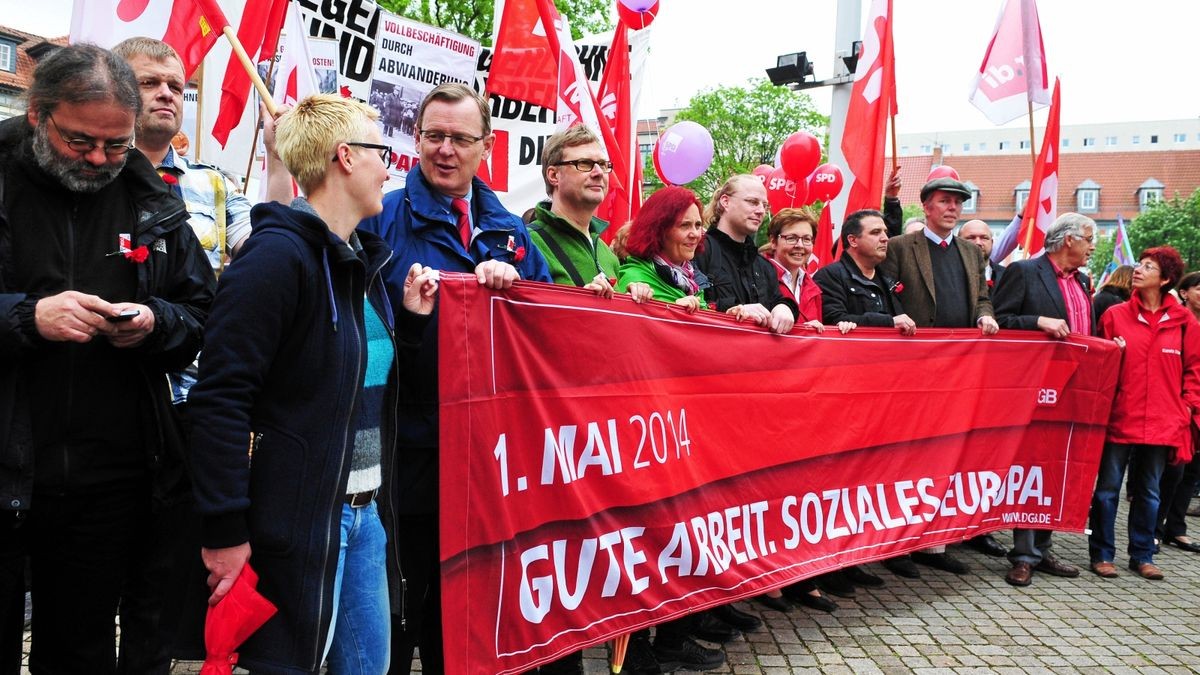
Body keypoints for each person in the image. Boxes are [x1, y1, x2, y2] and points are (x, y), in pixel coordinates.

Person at [188, 94, 439, 673]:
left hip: (366, 516)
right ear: (345, 158)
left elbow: (359, 383)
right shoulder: (275, 260)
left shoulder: (364, 264)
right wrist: (224, 528)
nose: (391, 168)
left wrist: (413, 328)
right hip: (299, 523)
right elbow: (221, 398)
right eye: (383, 153)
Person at [0, 44, 215, 672]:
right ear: (39, 115)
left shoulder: (153, 200)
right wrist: (25, 317)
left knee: (81, 655)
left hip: (105, 487)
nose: (99, 160)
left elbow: (201, 312)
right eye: (80, 142)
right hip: (6, 471)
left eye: (116, 146)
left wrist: (154, 324)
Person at [357, 82, 551, 675]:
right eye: (434, 136)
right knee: (394, 605)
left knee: (461, 605)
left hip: (485, 456)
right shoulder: (378, 219)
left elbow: (548, 329)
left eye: (461, 139)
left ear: (485, 145)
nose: (446, 150)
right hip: (404, 447)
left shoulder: (513, 234)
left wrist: (518, 291)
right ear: (414, 140)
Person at [878, 176, 998, 577]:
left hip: (957, 372)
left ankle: (934, 544)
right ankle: (895, 546)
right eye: (945, 201)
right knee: (905, 456)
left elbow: (982, 295)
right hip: (909, 371)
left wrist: (985, 315)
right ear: (926, 206)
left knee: (943, 456)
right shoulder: (899, 247)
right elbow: (889, 290)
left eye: (958, 203)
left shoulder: (970, 251)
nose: (952, 208)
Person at [992, 213, 1098, 586]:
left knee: (1055, 465)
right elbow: (1000, 320)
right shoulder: (1023, 271)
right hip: (1034, 387)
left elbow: (1086, 330)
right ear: (1068, 240)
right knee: (1030, 467)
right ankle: (1022, 554)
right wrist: (1038, 320)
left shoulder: (1083, 281)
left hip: (1073, 387)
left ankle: (1043, 548)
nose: (1092, 247)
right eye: (1087, 239)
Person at [1089, 246, 1200, 581]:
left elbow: (1194, 370)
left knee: (1150, 492)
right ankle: (1102, 554)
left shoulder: (1185, 323)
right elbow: (1098, 367)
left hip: (1164, 421)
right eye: (1139, 264)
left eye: (1148, 266)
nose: (1138, 269)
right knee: (1107, 490)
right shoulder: (1115, 315)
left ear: (1165, 279)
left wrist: (1186, 407)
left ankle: (1142, 554)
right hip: (1120, 415)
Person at [956, 218, 1008, 559]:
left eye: (984, 236)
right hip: (960, 379)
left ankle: (983, 528)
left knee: (988, 458)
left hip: (998, 384)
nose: (978, 241)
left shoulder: (1008, 276)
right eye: (970, 236)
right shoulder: (953, 270)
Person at [693, 175, 797, 334]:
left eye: (765, 205)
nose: (761, 211)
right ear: (725, 202)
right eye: (752, 202)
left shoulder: (763, 265)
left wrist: (784, 307)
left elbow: (777, 299)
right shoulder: (697, 250)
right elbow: (687, 304)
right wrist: (734, 311)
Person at [527, 125, 622, 299]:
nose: (599, 172)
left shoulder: (608, 254)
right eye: (584, 164)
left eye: (602, 164)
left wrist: (637, 298)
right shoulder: (528, 242)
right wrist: (579, 304)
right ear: (554, 176)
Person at [813, 209, 915, 336]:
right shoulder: (829, 276)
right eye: (875, 232)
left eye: (885, 232)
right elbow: (833, 321)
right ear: (853, 240)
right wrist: (888, 322)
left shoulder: (887, 279)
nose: (885, 238)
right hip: (850, 354)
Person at [1157, 272, 1200, 554]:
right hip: (1179, 402)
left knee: (1193, 470)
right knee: (1173, 470)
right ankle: (1154, 529)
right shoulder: (1177, 321)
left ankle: (1177, 528)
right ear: (1184, 292)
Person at [615, 186, 710, 312]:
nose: (695, 234)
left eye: (698, 225)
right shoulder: (635, 280)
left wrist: (732, 318)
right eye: (684, 225)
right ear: (658, 230)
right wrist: (673, 312)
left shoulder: (690, 282)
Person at [763, 208, 823, 329]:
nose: (800, 245)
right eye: (791, 238)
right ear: (773, 241)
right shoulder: (758, 277)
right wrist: (800, 331)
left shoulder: (813, 287)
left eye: (807, 239)